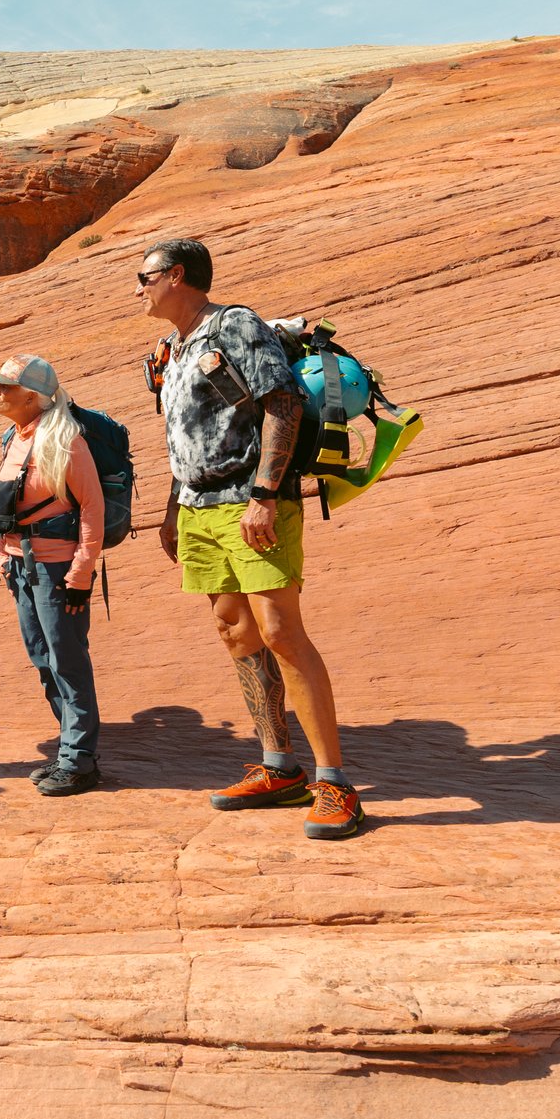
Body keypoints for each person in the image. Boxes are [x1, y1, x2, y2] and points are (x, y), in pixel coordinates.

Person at [138, 238, 363, 839]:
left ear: (177, 276)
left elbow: (282, 404)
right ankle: (277, 766)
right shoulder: (169, 350)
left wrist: (265, 494)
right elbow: (182, 437)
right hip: (197, 510)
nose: (140, 288)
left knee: (281, 632)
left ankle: (335, 781)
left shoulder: (234, 327)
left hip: (249, 503)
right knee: (235, 630)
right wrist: (170, 509)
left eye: (146, 276)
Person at [0, 354, 107, 795]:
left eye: (6, 386)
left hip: (57, 569)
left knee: (68, 661)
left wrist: (80, 574)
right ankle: (70, 751)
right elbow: (9, 508)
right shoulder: (13, 438)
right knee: (42, 659)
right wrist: (2, 554)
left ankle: (79, 759)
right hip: (20, 566)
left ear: (32, 397)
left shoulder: (65, 440)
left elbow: (92, 508)